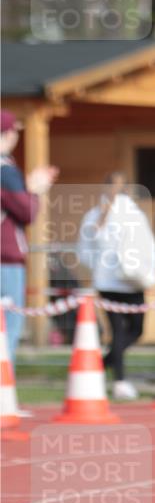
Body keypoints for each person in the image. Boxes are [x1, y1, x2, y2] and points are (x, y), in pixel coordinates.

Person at [77, 172, 155, 400]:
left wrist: (99, 269)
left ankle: (104, 364)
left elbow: (84, 252)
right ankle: (118, 378)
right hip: (130, 282)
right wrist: (150, 272)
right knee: (133, 330)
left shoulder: (94, 216)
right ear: (127, 190)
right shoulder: (133, 214)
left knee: (119, 332)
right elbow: (147, 246)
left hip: (109, 282)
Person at [0, 109, 58, 361]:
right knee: (7, 332)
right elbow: (27, 211)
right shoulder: (5, 170)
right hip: (5, 261)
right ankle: (4, 395)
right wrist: (35, 190)